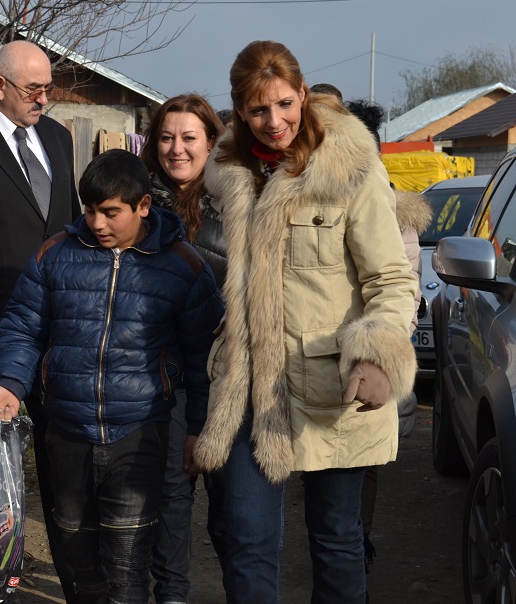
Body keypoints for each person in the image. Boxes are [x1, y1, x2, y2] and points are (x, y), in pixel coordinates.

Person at [191, 40, 418, 603]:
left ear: (303, 94)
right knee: (246, 538)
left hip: (332, 384)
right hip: (248, 388)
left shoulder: (350, 168)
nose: (275, 122)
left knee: (337, 537)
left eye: (286, 104)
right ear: (240, 111)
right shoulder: (227, 174)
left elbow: (391, 280)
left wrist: (375, 354)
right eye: (258, 110)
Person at [0, 149, 224, 603]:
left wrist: (199, 429)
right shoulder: (54, 255)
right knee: (77, 553)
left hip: (140, 432)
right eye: (90, 210)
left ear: (143, 207)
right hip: (66, 432)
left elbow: (204, 358)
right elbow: (22, 326)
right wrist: (9, 382)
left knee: (127, 565)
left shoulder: (183, 266)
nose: (96, 223)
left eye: (111, 212)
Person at [0, 39, 81, 600]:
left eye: (49, 87)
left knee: (65, 472)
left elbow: (70, 224)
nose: (44, 99)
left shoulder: (57, 138)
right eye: (33, 89)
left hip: (58, 335)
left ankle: (78, 583)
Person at [140, 93, 228, 601]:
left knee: (233, 513)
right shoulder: (139, 201)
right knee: (172, 501)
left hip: (227, 373)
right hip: (165, 374)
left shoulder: (237, 197)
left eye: (189, 138)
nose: (176, 149)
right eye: (167, 137)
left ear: (210, 142)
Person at [345, 97, 432, 578]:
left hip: (371, 357)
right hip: (319, 361)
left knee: (363, 464)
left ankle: (360, 540)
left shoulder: (396, 213)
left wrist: (384, 349)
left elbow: (405, 288)